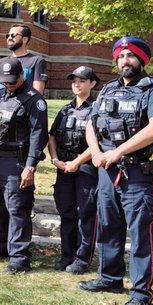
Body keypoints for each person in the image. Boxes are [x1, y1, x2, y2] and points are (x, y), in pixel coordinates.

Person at [80, 37, 153, 305]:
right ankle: (109, 278)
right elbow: (91, 125)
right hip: (107, 169)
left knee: (141, 232)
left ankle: (141, 294)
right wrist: (96, 153)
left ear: (142, 60)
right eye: (120, 57)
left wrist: (116, 152)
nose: (124, 61)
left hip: (137, 172)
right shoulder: (107, 90)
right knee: (108, 224)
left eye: (130, 56)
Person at [0, 57, 49, 274]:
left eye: (12, 81)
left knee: (17, 210)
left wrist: (30, 166)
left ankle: (19, 257)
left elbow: (39, 135)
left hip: (15, 163)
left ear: (22, 76)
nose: (8, 85)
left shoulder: (33, 100)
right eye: (4, 82)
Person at [48, 65, 100, 274]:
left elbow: (98, 143)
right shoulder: (65, 110)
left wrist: (76, 162)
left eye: (82, 81)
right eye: (74, 81)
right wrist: (55, 159)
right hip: (63, 169)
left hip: (86, 170)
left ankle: (82, 259)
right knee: (66, 213)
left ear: (93, 84)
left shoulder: (96, 109)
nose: (77, 85)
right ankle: (66, 255)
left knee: (85, 214)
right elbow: (51, 136)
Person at [0, 24, 48, 103]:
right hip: (0, 111)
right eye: (7, 35)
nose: (9, 38)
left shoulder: (37, 61)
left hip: (22, 111)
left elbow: (38, 92)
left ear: (24, 39)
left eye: (13, 35)